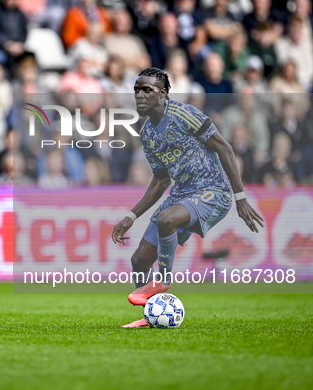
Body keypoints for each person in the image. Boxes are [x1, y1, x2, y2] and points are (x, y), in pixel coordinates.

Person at [111, 68, 263, 328]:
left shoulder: (184, 114)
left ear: (163, 93)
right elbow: (161, 181)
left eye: (146, 89)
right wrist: (131, 216)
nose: (139, 94)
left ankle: (164, 279)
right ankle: (151, 315)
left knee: (166, 220)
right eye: (136, 89)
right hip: (181, 194)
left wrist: (240, 197)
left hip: (213, 191)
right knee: (139, 260)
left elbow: (224, 148)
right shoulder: (147, 133)